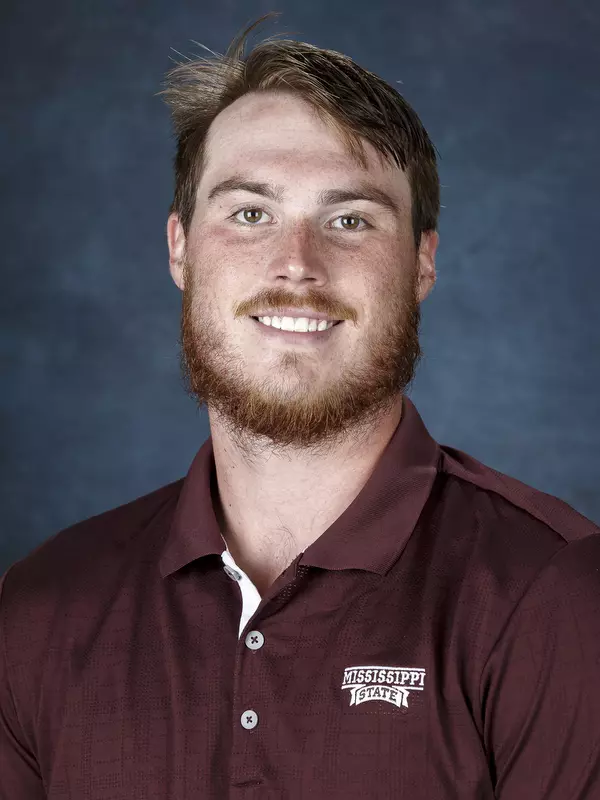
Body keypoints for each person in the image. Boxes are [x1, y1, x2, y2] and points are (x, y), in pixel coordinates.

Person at [1, 12, 599, 799]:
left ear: (422, 262)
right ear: (180, 246)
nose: (296, 266)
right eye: (250, 212)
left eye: (349, 220)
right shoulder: (42, 608)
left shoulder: (557, 594)